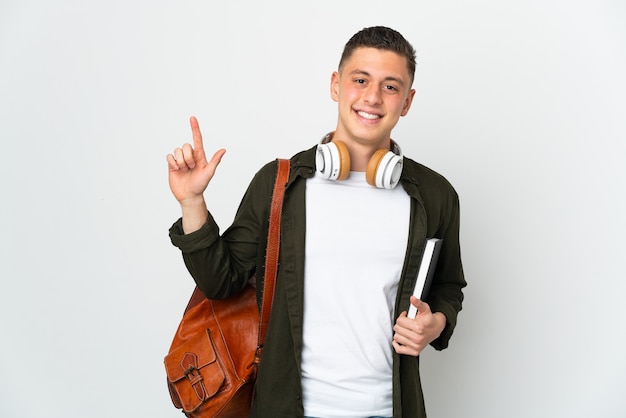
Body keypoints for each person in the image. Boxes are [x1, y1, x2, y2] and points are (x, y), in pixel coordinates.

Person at [167, 26, 466, 418]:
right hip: (288, 408)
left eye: (390, 87)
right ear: (336, 85)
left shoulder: (433, 195)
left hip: (390, 408)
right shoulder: (279, 185)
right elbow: (221, 282)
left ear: (407, 101)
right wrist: (192, 202)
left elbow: (448, 286)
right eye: (361, 80)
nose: (373, 97)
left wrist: (436, 322)